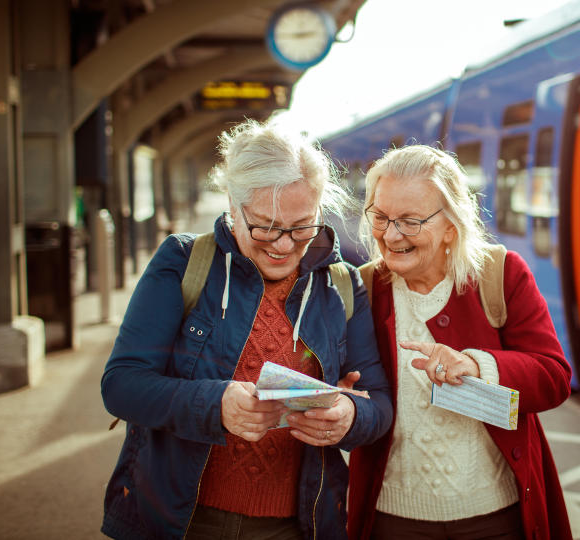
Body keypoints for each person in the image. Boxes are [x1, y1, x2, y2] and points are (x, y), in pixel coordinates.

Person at [100, 118, 393, 540]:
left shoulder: (341, 286)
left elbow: (380, 404)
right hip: (180, 520)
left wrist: (350, 415)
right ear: (233, 208)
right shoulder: (184, 263)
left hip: (296, 526)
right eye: (264, 226)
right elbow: (122, 384)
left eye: (301, 226)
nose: (284, 245)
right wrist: (215, 404)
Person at [346, 146, 573, 539]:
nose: (391, 234)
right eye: (381, 217)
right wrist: (342, 401)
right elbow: (345, 394)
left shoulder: (499, 275)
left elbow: (554, 377)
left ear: (451, 225)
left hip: (495, 516)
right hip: (393, 518)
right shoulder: (362, 289)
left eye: (410, 221)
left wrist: (478, 367)